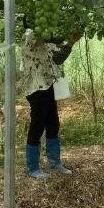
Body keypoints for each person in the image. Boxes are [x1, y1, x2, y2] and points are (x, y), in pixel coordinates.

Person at [21, 28, 81, 179]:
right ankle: (32, 167)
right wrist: (65, 36)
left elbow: (57, 59)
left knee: (53, 123)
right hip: (36, 87)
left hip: (48, 85)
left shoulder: (47, 39)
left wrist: (71, 42)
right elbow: (51, 38)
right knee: (37, 125)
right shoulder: (32, 35)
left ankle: (55, 162)